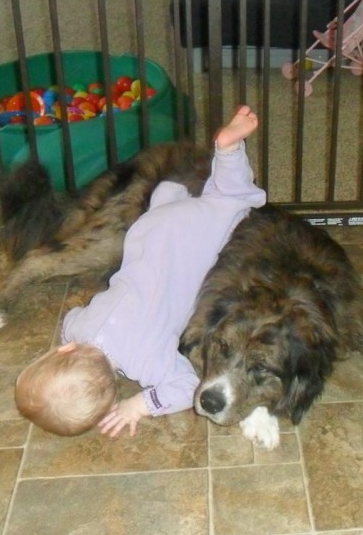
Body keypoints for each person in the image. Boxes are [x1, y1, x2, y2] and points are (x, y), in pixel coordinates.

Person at [15, 106, 266, 437]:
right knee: (179, 219)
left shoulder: (144, 360)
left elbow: (185, 385)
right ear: (64, 350)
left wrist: (141, 404)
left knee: (234, 202)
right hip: (151, 228)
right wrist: (69, 344)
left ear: (113, 395)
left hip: (191, 247)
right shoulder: (78, 327)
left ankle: (228, 151)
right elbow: (71, 317)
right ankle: (174, 194)